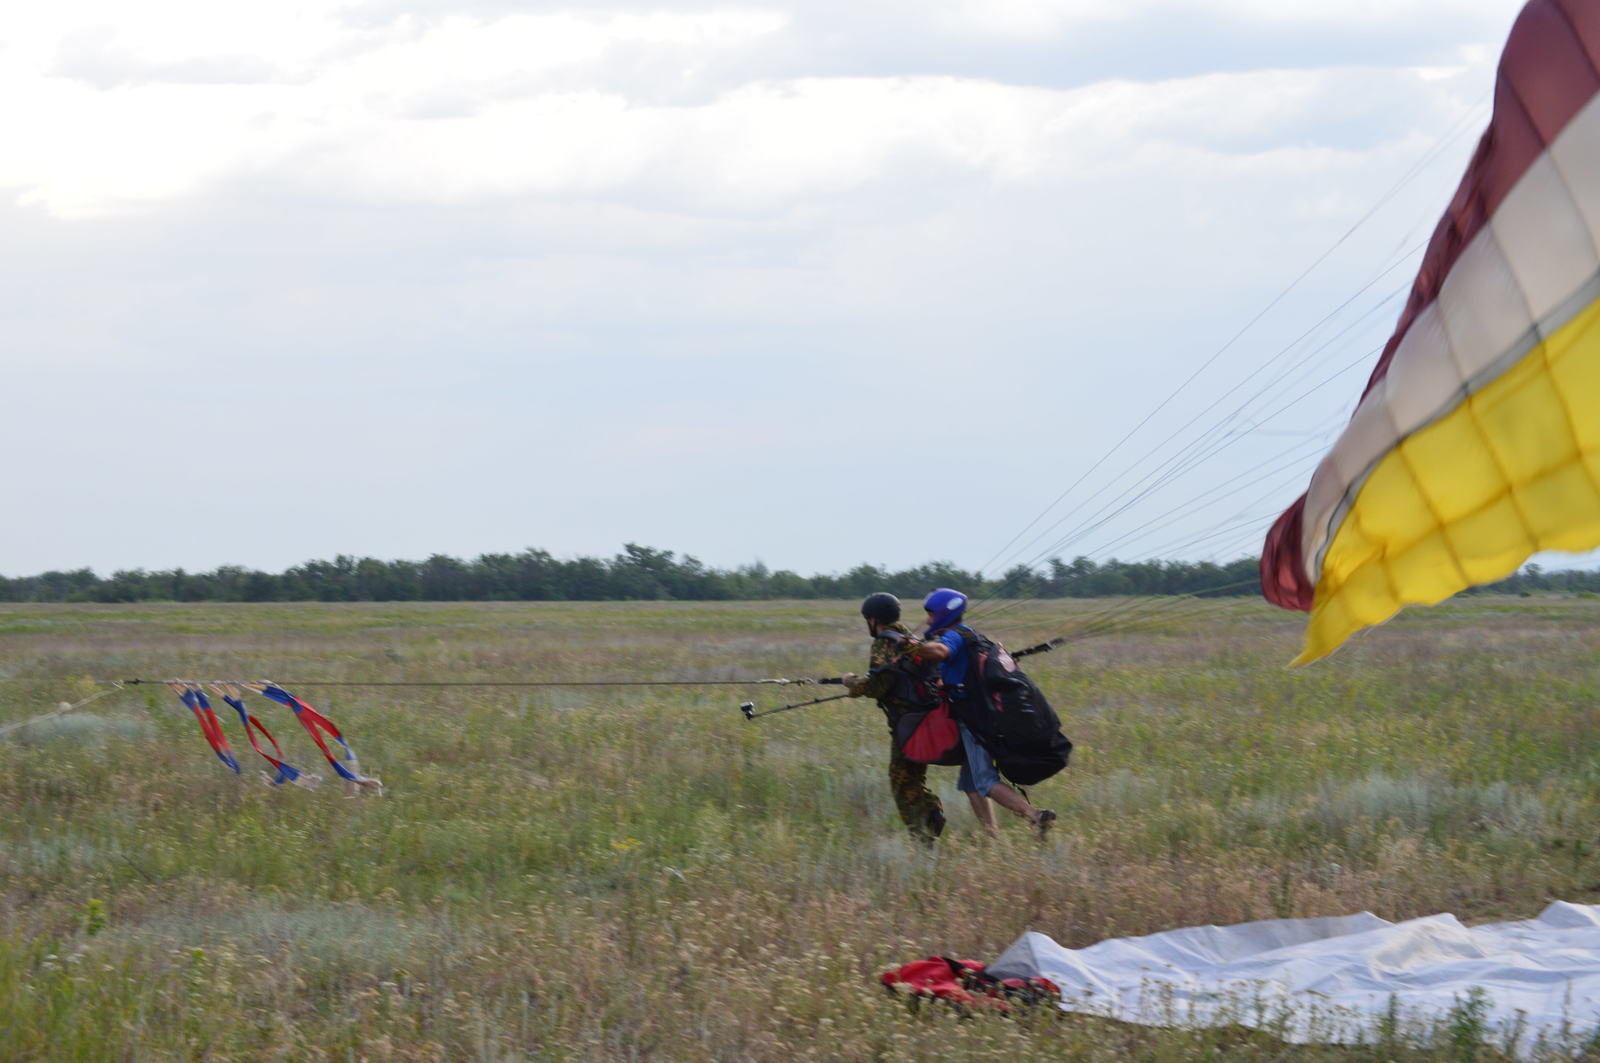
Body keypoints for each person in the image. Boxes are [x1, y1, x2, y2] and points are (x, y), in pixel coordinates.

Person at [912, 587, 1056, 839]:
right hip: (985, 715)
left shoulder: (954, 637)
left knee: (985, 782)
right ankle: (992, 838)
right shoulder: (972, 635)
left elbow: (941, 652)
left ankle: (1035, 816)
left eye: (931, 615)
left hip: (976, 721)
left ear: (944, 615)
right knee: (971, 784)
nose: (928, 620)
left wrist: (909, 646)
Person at [840, 592, 947, 844]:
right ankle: (930, 815)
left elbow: (879, 683)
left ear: (873, 619)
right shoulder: (909, 637)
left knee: (901, 782)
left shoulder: (884, 642)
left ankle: (925, 831)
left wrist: (851, 683)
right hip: (926, 716)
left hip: (906, 723)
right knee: (913, 777)